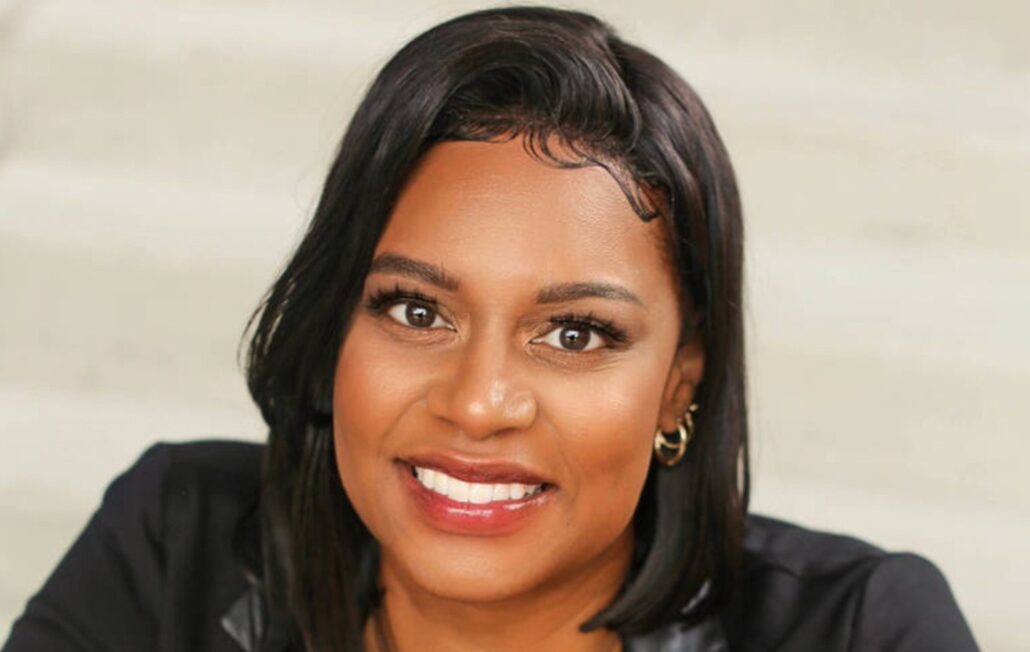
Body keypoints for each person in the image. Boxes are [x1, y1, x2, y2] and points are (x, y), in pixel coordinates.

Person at [3, 6, 979, 652]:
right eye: (415, 309)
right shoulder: (180, 548)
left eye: (576, 332)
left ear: (681, 380)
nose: (477, 402)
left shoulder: (857, 628)